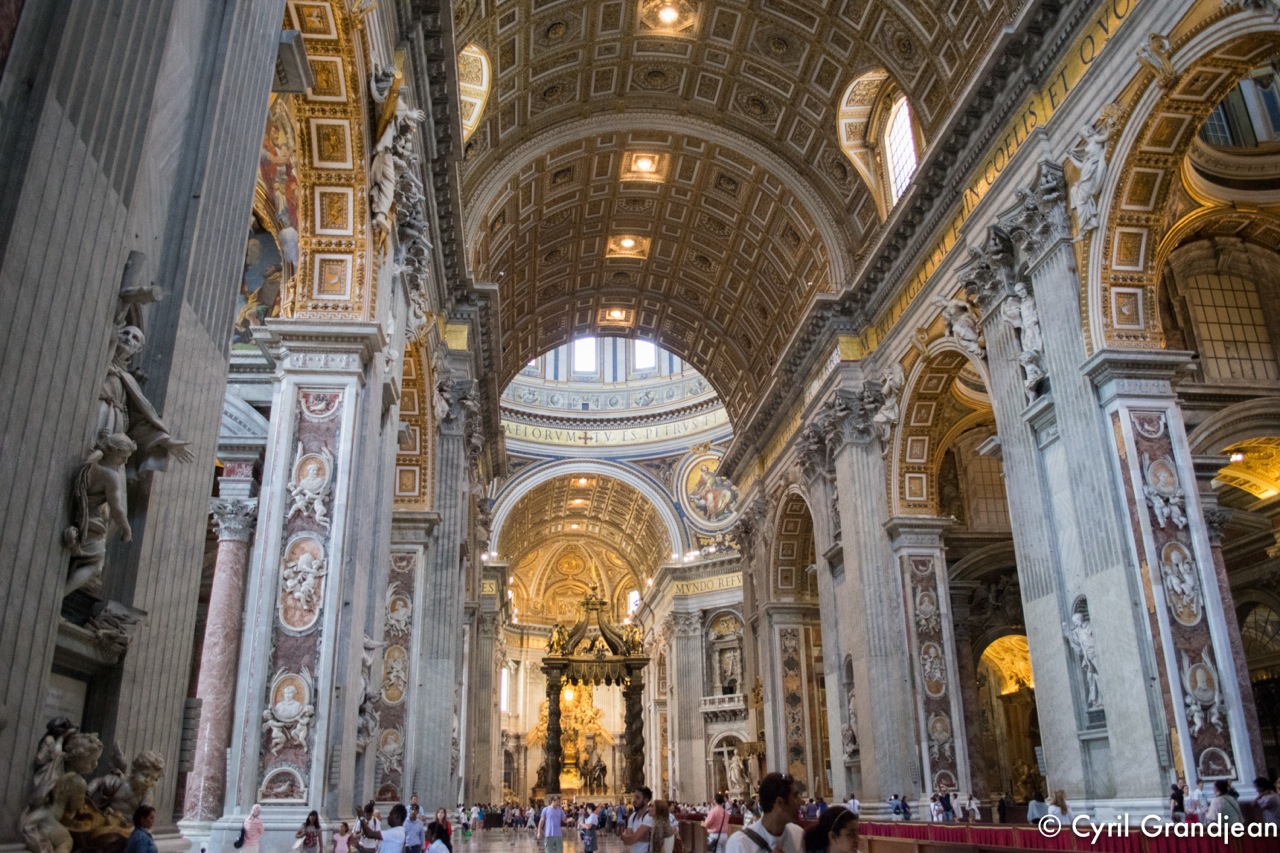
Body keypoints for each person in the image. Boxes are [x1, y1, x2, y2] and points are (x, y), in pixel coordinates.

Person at [724, 773, 805, 853]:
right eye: (795, 796)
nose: (801, 802)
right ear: (779, 802)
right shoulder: (740, 843)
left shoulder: (797, 835)